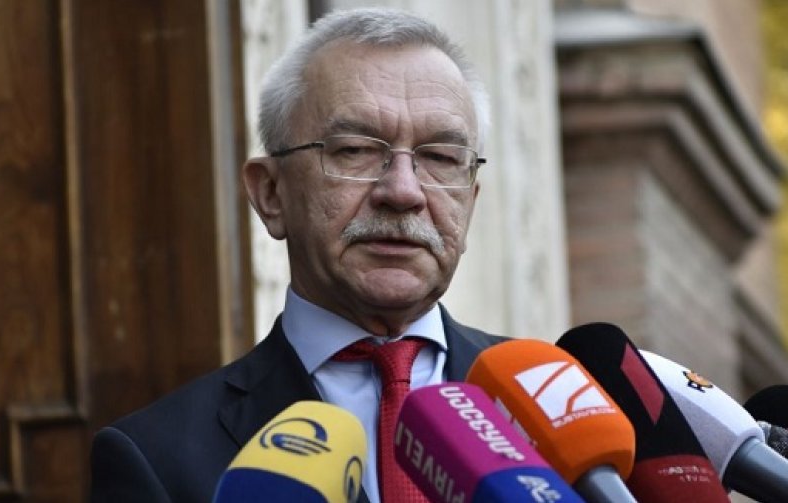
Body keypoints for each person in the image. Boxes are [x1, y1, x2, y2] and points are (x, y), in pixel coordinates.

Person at [90, 7, 507, 503]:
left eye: (440, 157)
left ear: (470, 202)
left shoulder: (547, 412)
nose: (403, 192)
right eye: (355, 150)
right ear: (270, 193)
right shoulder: (156, 459)